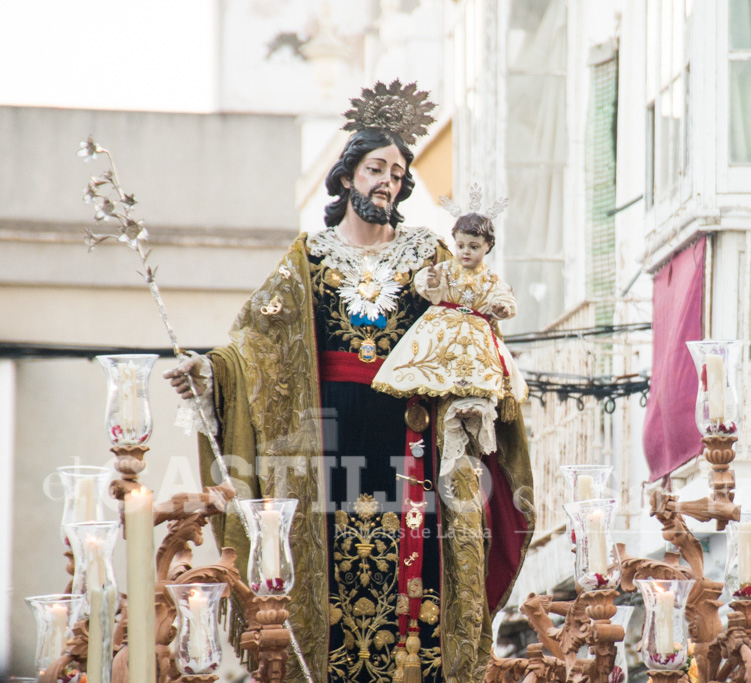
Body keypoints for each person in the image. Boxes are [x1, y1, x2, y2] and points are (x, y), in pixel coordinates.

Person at [164, 81, 535, 683]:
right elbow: (255, 348)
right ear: (345, 177)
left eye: (397, 172)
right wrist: (210, 373)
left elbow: (471, 323)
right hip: (325, 447)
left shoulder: (428, 256)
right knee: (324, 577)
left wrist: (477, 390)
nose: (387, 181)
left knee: (423, 581)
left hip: (412, 440)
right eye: (375, 169)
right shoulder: (307, 260)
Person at [371, 210, 528, 481]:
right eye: (461, 245)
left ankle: (472, 407)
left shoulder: (491, 279)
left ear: (488, 246)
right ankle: (449, 410)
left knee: (481, 371)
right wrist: (432, 283)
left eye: (474, 247)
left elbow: (505, 300)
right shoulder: (445, 270)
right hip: (441, 335)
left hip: (476, 336)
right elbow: (429, 288)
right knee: (437, 371)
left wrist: (501, 308)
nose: (466, 252)